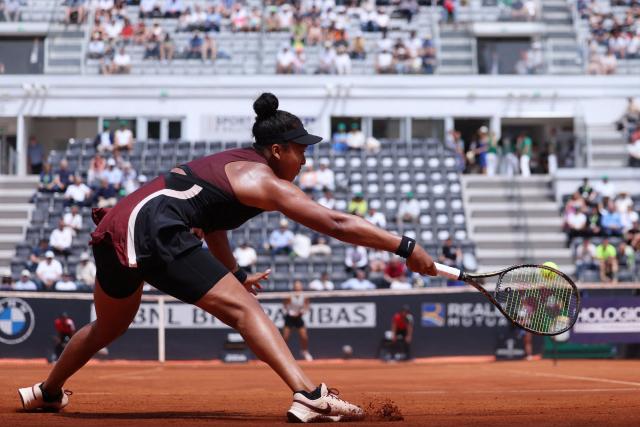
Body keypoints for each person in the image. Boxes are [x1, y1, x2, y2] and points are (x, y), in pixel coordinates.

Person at [19, 93, 436, 422]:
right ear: (276, 150)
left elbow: (213, 226)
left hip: (118, 226)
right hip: (155, 226)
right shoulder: (264, 179)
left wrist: (234, 272)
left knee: (109, 325)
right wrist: (406, 247)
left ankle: (47, 392)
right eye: (299, 149)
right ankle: (309, 395)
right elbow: (335, 223)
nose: (306, 157)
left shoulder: (234, 165)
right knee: (247, 311)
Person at [282, 280, 313, 362]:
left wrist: (303, 311)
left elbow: (307, 305)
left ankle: (305, 351)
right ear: (294, 287)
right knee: (285, 337)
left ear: (301, 287)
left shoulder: (305, 296)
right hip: (290, 317)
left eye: (299, 286)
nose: (297, 287)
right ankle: (283, 354)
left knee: (304, 336)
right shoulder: (289, 296)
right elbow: (285, 305)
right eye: (296, 286)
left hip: (299, 317)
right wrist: (290, 312)